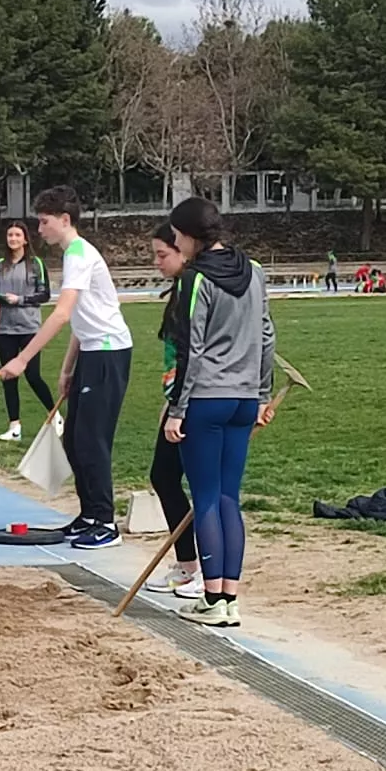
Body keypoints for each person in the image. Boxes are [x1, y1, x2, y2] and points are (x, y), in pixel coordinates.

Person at [162, 196, 277, 627]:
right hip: (244, 399)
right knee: (229, 496)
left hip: (207, 399)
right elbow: (267, 335)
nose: (176, 243)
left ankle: (212, 599)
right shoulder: (256, 271)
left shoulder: (194, 279)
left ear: (191, 236)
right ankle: (228, 597)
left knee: (206, 497)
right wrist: (262, 393)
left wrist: (177, 408)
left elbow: (190, 348)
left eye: (177, 236)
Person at [0, 186, 133, 550]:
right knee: (73, 438)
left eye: (44, 222)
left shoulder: (79, 254)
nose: (39, 229)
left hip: (109, 352)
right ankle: (89, 515)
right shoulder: (73, 255)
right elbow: (80, 319)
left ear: (64, 220)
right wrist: (67, 368)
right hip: (91, 351)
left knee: (92, 440)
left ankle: (106, 523)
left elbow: (61, 314)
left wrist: (23, 359)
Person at [148, 223, 203, 598]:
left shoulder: (194, 290)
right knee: (163, 476)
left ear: (183, 249)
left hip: (197, 399)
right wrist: (169, 401)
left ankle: (204, 572)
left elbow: (193, 352)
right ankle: (187, 564)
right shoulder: (179, 290)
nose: (157, 262)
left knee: (195, 483)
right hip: (178, 397)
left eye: (162, 254)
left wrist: (179, 405)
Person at [0, 223, 55, 442]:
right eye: (10, 235)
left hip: (29, 328)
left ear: (25, 239)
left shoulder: (36, 264)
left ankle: (55, 415)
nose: (13, 238)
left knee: (33, 375)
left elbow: (45, 295)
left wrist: (20, 299)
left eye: (18, 235)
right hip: (5, 329)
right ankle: (14, 426)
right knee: (8, 378)